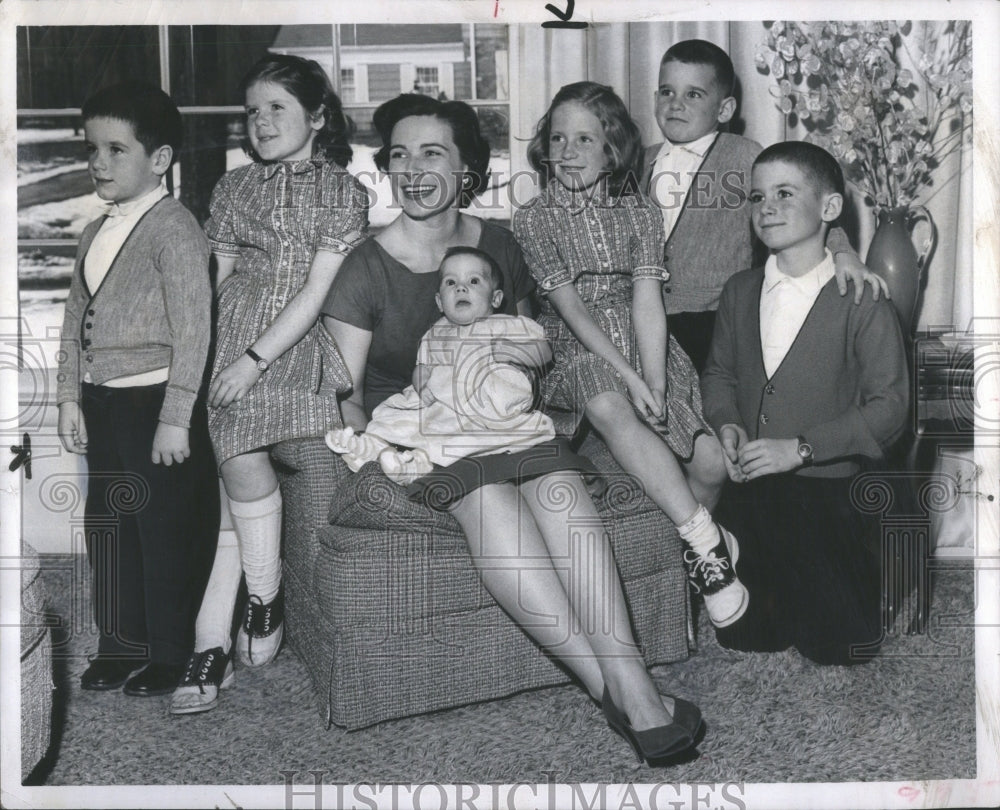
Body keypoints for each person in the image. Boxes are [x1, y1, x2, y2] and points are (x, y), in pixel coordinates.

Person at [323, 93, 702, 765]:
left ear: (468, 167)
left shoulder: (499, 243)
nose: (412, 169)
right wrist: (381, 450)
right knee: (489, 499)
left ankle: (629, 680)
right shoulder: (364, 266)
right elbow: (344, 392)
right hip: (432, 434)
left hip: (511, 426)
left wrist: (552, 415)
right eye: (400, 155)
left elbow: (530, 348)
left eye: (431, 152)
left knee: (558, 490)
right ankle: (617, 688)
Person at [169, 54, 369, 715]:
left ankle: (231, 623)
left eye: (276, 107)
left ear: (316, 117)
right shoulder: (233, 188)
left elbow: (315, 291)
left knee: (240, 469)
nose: (260, 121)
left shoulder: (342, 192)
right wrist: (198, 357)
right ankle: (246, 609)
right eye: (252, 110)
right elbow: (216, 278)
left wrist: (250, 361)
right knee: (238, 466)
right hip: (232, 333)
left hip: (290, 344)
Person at [513, 81, 747, 631]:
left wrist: (657, 381)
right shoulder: (534, 217)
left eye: (585, 140)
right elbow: (570, 309)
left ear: (612, 150)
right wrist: (628, 377)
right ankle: (705, 545)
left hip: (645, 344)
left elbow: (647, 302)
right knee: (607, 398)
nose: (568, 152)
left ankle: (685, 563)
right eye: (558, 138)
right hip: (578, 348)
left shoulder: (640, 213)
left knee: (712, 461)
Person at [700, 141, 908, 665]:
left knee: (843, 647)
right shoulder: (739, 291)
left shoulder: (862, 297)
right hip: (751, 493)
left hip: (826, 494)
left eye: (785, 194)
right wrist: (726, 423)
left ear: (830, 210)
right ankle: (725, 546)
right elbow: (720, 374)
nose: (766, 207)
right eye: (756, 196)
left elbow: (891, 407)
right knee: (748, 637)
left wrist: (802, 449)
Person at [57, 82, 220, 697]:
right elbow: (76, 318)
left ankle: (169, 652)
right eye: (92, 148)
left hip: (154, 405)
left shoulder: (175, 231)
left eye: (116, 150)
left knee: (164, 532)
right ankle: (119, 643)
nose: (99, 162)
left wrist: (177, 415)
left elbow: (194, 328)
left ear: (159, 160)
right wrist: (70, 395)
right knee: (112, 528)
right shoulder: (94, 231)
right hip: (103, 403)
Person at [641, 39, 886, 373]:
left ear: (724, 110)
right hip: (644, 315)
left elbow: (805, 209)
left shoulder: (745, 155)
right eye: (667, 92)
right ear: (655, 99)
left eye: (693, 94)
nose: (676, 104)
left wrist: (844, 254)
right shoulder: (639, 160)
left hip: (714, 318)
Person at [326, 245, 555, 485]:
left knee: (459, 438)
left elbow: (543, 353)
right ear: (439, 301)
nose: (461, 287)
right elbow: (423, 367)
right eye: (450, 283)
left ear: (496, 298)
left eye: (474, 281)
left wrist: (505, 349)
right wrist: (421, 384)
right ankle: (370, 448)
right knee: (397, 419)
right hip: (441, 401)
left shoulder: (507, 325)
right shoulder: (437, 333)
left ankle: (417, 463)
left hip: (488, 408)